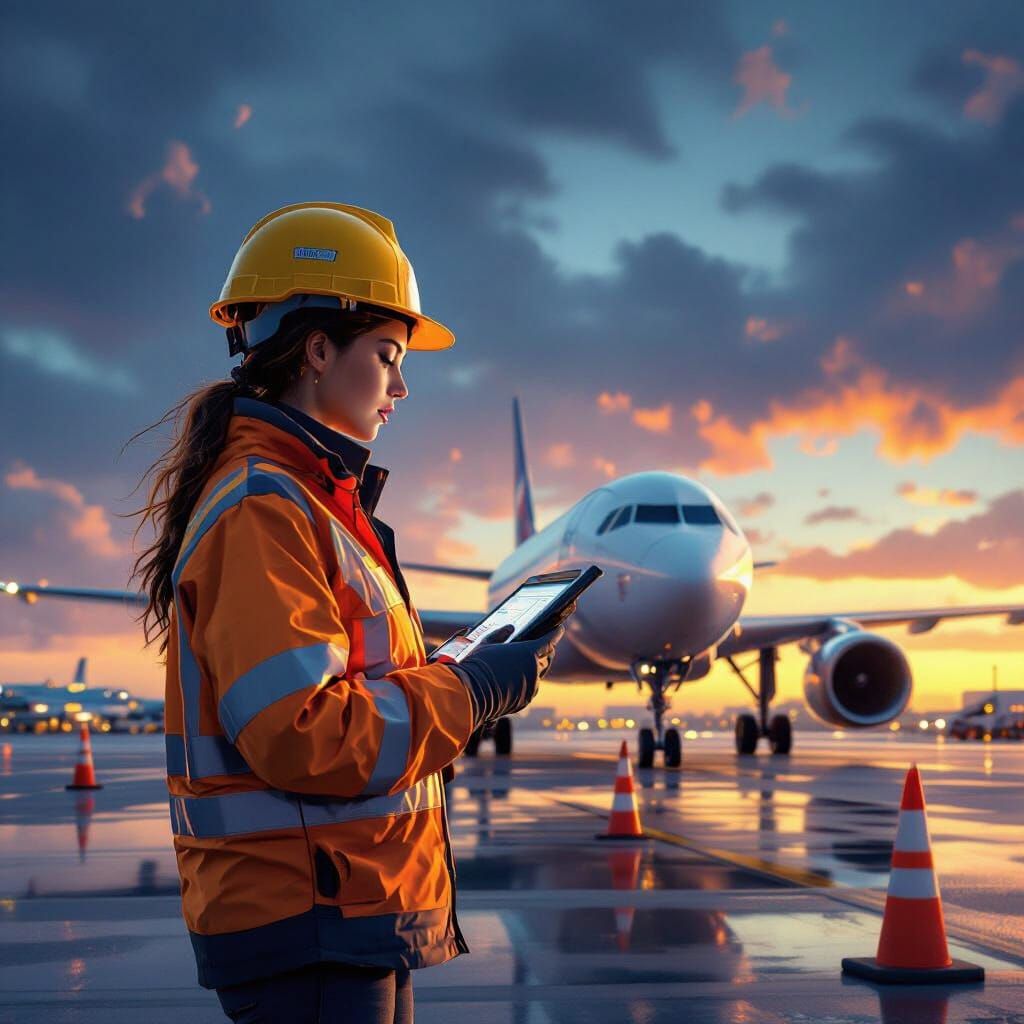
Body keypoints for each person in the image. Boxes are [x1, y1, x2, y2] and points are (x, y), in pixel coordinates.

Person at [131, 203, 566, 1022]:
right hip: (308, 920)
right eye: (388, 356)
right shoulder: (264, 509)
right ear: (318, 350)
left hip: (348, 908)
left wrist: (459, 666)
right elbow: (306, 733)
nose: (401, 386)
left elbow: (355, 686)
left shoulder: (311, 503)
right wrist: (471, 692)